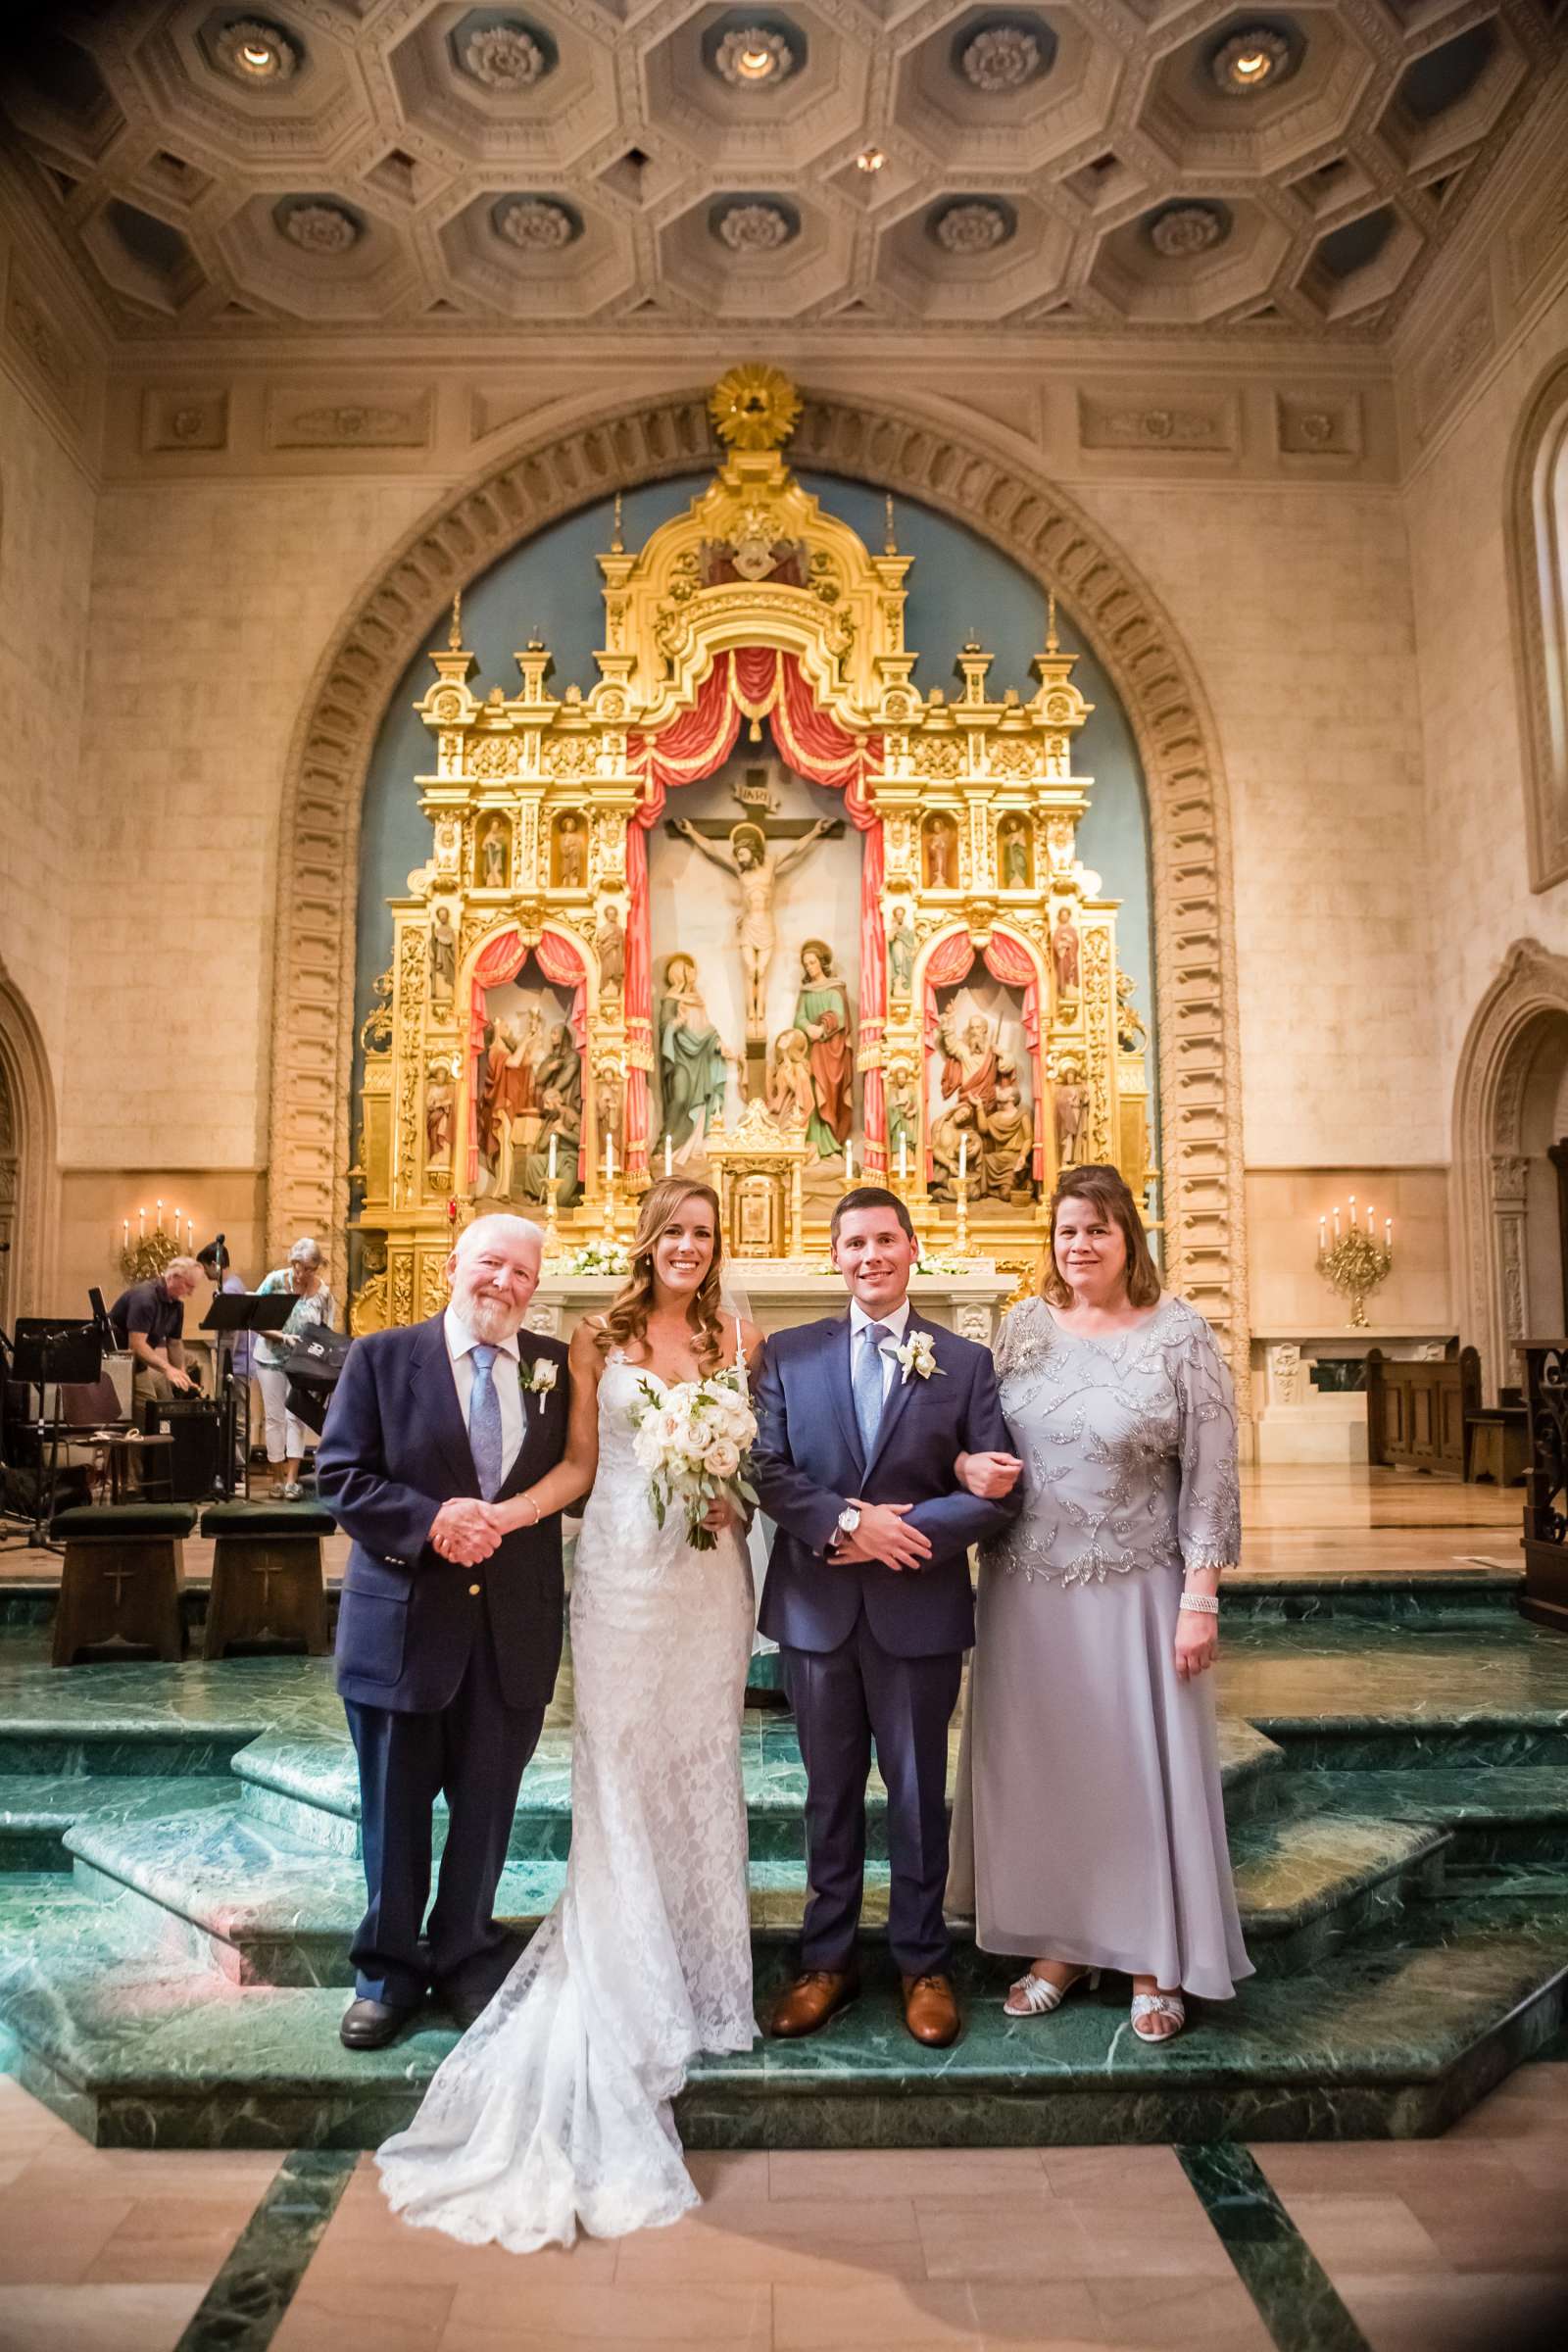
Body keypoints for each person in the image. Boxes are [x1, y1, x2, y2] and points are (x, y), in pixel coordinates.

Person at [374, 1181, 762, 2251]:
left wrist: (738, 1494)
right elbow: (585, 1467)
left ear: (716, 1245)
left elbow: (759, 1462)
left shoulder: (740, 1332)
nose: (687, 1247)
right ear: (648, 1242)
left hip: (708, 1580)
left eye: (703, 1233)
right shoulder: (596, 1338)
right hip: (626, 1576)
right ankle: (627, 1966)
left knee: (700, 1763)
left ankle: (698, 1965)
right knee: (624, 1770)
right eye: (672, 1232)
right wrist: (501, 1516)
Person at [949, 1163, 1251, 2044]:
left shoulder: (1181, 1335)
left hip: (1137, 1588)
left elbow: (1212, 1474)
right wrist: (969, 1469)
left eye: (1097, 1231)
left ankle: (1152, 1956)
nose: (1078, 1246)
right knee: (1047, 1765)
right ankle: (1058, 1943)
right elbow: (979, 1442)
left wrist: (1201, 1595)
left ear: (1130, 1240)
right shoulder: (1021, 1331)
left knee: (1132, 1766)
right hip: (1027, 1586)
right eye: (1066, 1231)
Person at [750, 1187, 1022, 2050]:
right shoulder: (788, 1354)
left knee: (914, 1795)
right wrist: (845, 1523)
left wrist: (903, 1532)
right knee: (828, 1796)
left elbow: (998, 1489)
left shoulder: (965, 1361)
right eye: (852, 1244)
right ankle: (824, 1961)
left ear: (913, 1249)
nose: (869, 1257)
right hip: (819, 1610)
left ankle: (922, 1961)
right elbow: (767, 1467)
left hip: (918, 1611)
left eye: (883, 1241)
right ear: (834, 1257)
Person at [316, 1215, 571, 2053]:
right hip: (405, 1627)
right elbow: (340, 1478)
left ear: (537, 1286)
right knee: (393, 1810)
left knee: (486, 1810)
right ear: (454, 1266)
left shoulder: (554, 1369)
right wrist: (432, 1521)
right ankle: (386, 1971)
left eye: (523, 1273)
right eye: (491, 1264)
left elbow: (577, 1476)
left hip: (511, 1629)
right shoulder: (382, 1358)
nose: (504, 1283)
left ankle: (465, 1954)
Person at [253, 1238, 338, 1499]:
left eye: (310, 1269)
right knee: (275, 1418)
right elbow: (253, 1319)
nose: (304, 1274)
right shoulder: (275, 1281)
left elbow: (327, 1332)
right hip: (270, 1358)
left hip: (301, 1364)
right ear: (293, 1262)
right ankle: (276, 1477)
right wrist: (281, 1337)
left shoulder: (322, 1293)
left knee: (296, 1419)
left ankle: (292, 1479)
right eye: (300, 1267)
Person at [109, 1258, 201, 1416]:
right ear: (173, 1277)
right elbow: (136, 1345)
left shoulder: (177, 1305)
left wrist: (181, 1373)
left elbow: (174, 1343)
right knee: (145, 1411)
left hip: (137, 1365)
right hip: (114, 1364)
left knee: (155, 1409)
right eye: (188, 1285)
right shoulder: (145, 1299)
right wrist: (168, 1369)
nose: (191, 1293)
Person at [793, 940, 853, 1156]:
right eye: (806, 964)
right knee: (811, 1093)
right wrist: (808, 1027)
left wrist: (822, 1028)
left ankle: (831, 1144)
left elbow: (840, 1016)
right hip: (811, 1051)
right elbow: (798, 1017)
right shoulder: (806, 993)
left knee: (829, 1094)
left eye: (812, 962)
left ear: (821, 962)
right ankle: (814, 1143)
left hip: (832, 1051)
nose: (809, 967)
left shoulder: (835, 988)